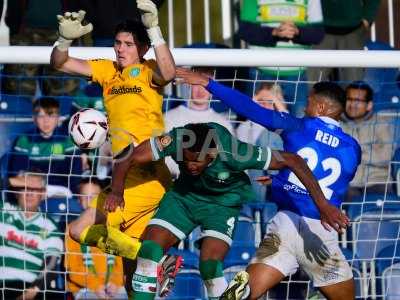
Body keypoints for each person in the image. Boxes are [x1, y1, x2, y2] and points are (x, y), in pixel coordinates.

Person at [104, 122, 348, 300]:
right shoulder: (178, 139)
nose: (190, 165)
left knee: (209, 266)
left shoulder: (235, 153)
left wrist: (323, 205)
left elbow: (293, 160)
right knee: (149, 250)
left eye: (197, 161)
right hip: (183, 198)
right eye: (186, 159)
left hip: (222, 205)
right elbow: (129, 156)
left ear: (212, 154)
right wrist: (116, 191)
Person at [176, 68, 360, 300]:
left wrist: (209, 83)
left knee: (247, 294)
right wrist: (282, 181)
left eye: (309, 102)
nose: (304, 108)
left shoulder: (297, 126)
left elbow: (249, 108)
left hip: (286, 225)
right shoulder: (353, 148)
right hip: (320, 233)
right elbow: (327, 178)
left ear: (322, 107)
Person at [49, 2, 179, 296]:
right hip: (123, 175)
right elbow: (60, 63)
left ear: (143, 49)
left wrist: (155, 30)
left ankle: (155, 258)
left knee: (78, 230)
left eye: (129, 45)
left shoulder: (148, 71)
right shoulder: (107, 71)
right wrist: (64, 40)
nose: (121, 50)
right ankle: (149, 258)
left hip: (146, 175)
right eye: (118, 44)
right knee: (134, 282)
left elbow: (169, 73)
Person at [238, 0, 324, 116]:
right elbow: (245, 31)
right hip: (260, 72)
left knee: (298, 126)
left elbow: (318, 34)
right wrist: (274, 33)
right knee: (252, 125)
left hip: (296, 74)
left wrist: (297, 32)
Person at [0, 172, 64, 300]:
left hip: (29, 287)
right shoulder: (3, 211)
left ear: (43, 194)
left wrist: (35, 289)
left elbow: (51, 263)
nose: (29, 193)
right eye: (25, 187)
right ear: (17, 191)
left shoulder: (50, 226)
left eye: (35, 189)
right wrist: (13, 181)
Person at [164, 66, 234, 178]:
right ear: (188, 85)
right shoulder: (170, 118)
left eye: (205, 85)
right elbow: (165, 158)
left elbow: (229, 161)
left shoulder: (223, 124)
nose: (201, 90)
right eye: (196, 84)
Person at [65, 178, 127, 299]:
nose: (90, 201)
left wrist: (116, 283)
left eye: (94, 196)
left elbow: (120, 263)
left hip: (114, 287)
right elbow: (73, 269)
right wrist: (96, 286)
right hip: (85, 288)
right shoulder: (71, 229)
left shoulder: (114, 227)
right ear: (79, 200)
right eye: (85, 196)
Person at [7, 97, 82, 195]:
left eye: (51, 116)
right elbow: (18, 172)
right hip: (31, 188)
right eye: (41, 116)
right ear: (34, 118)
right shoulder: (25, 140)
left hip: (60, 189)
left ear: (58, 117)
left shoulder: (68, 140)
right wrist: (35, 185)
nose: (46, 121)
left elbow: (75, 175)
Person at [341, 81, 395, 199]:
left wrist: (354, 152)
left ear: (369, 105)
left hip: (377, 180)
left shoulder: (381, 123)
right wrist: (370, 149)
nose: (352, 105)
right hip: (348, 183)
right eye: (349, 99)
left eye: (358, 101)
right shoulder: (338, 124)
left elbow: (385, 156)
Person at [307, 0, 381, 83]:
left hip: (353, 30)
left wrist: (367, 18)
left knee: (354, 84)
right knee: (313, 83)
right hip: (318, 30)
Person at [236, 82, 286, 201]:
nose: (264, 105)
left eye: (269, 102)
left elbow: (286, 121)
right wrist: (252, 105)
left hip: (277, 175)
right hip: (255, 179)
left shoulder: (283, 125)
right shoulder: (245, 127)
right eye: (261, 101)